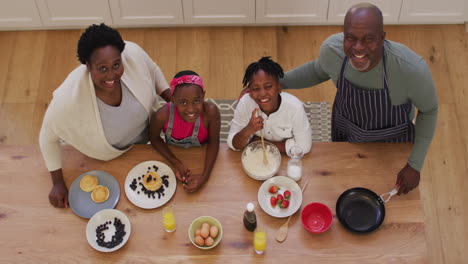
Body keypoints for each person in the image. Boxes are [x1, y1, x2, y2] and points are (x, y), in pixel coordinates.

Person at [281, 3, 438, 195]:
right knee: (338, 188)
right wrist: (276, 82)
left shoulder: (411, 70)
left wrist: (414, 165)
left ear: (382, 38)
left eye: (368, 39)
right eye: (350, 38)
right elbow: (317, 70)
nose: (358, 48)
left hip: (390, 143)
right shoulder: (333, 51)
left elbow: (429, 111)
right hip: (346, 134)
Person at [39, 23, 171, 208]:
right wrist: (57, 183)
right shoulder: (68, 98)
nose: (112, 75)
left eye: (116, 65)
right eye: (102, 68)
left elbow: (153, 70)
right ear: (88, 65)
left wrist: (170, 99)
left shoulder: (132, 54)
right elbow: (47, 136)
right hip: (111, 158)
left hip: (150, 141)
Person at [149, 71, 220, 193]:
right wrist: (175, 162)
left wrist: (204, 177)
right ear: (173, 99)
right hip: (174, 155)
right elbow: (153, 137)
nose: (191, 109)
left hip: (202, 157)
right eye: (183, 102)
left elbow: (214, 142)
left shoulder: (211, 112)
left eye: (197, 101)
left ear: (203, 96)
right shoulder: (162, 115)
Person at [228, 56, 312, 155]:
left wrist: (261, 143)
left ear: (279, 88)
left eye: (268, 87)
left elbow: (304, 146)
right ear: (249, 91)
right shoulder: (245, 103)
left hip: (285, 158)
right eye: (255, 88)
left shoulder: (295, 108)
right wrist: (248, 130)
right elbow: (233, 143)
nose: (262, 93)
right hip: (256, 157)